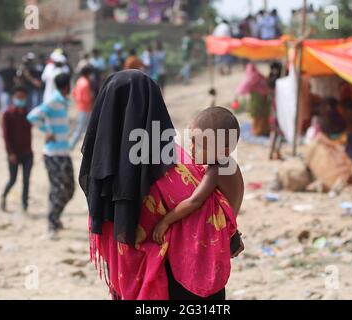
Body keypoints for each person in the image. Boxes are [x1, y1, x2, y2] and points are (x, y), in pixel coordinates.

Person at [79, 70, 243, 300]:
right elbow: (217, 211)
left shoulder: (100, 173)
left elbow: (107, 228)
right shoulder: (179, 164)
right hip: (185, 285)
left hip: (131, 282)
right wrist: (234, 235)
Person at [153, 106, 244, 246]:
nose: (193, 148)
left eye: (201, 146)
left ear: (223, 151)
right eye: (192, 140)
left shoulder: (218, 169)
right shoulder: (223, 164)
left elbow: (194, 201)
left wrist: (166, 221)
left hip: (220, 232)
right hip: (229, 231)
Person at [27, 73, 75, 237]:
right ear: (67, 85)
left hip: (64, 151)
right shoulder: (53, 101)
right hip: (53, 153)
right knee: (57, 189)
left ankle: (55, 217)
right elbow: (33, 116)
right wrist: (46, 131)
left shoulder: (63, 102)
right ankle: (51, 223)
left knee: (69, 189)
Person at [1, 86, 33, 212]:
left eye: (23, 97)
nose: (20, 99)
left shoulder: (29, 114)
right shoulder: (7, 114)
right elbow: (6, 136)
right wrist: (10, 153)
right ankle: (3, 197)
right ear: (13, 98)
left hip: (28, 153)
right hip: (14, 154)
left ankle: (25, 206)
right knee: (13, 179)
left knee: (26, 180)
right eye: (18, 97)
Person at [236, 63, 270, 136]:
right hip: (264, 100)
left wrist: (238, 93)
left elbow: (243, 88)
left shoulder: (251, 77)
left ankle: (257, 131)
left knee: (256, 117)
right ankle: (265, 130)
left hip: (256, 102)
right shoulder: (260, 76)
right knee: (264, 116)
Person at [70, 66, 93, 150]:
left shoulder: (79, 81)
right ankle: (70, 146)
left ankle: (87, 147)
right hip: (85, 108)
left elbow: (74, 93)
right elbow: (87, 98)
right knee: (80, 130)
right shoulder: (86, 83)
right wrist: (91, 96)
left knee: (86, 129)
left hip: (80, 107)